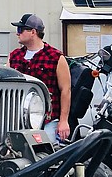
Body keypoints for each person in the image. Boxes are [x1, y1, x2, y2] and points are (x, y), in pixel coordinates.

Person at [8, 14, 72, 143]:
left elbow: (66, 90)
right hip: (18, 118)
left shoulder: (56, 56)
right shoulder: (14, 56)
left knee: (49, 153)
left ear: (33, 32)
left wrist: (63, 121)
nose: (17, 33)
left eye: (20, 30)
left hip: (48, 119)